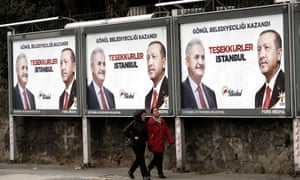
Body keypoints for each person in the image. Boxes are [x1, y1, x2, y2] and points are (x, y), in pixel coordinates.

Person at [181, 38, 217, 109]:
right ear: (187, 62)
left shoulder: (211, 94)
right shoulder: (179, 92)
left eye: (203, 57)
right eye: (196, 57)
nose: (201, 62)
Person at [255, 29, 285, 109]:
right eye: (259, 50)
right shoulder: (259, 95)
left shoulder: (289, 85)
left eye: (267, 47)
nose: (261, 55)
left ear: (279, 54)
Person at [147, 107, 174, 179]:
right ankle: (160, 173)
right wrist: (150, 143)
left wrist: (170, 140)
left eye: (157, 110)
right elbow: (149, 134)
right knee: (159, 158)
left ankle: (148, 169)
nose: (157, 112)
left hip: (161, 142)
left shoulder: (162, 120)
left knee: (157, 158)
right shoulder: (150, 122)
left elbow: (166, 131)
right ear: (152, 113)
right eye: (155, 111)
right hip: (154, 143)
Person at [123, 110, 150, 180]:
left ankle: (131, 171)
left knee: (139, 159)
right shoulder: (134, 122)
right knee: (141, 159)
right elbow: (125, 131)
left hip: (142, 143)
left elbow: (145, 133)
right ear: (139, 116)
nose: (145, 116)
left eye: (145, 115)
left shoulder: (144, 123)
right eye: (143, 115)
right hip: (135, 144)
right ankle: (145, 176)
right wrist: (133, 136)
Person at [145, 41, 168, 111]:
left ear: (163, 62)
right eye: (148, 58)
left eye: (154, 57)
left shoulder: (172, 90)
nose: (150, 63)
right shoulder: (148, 97)